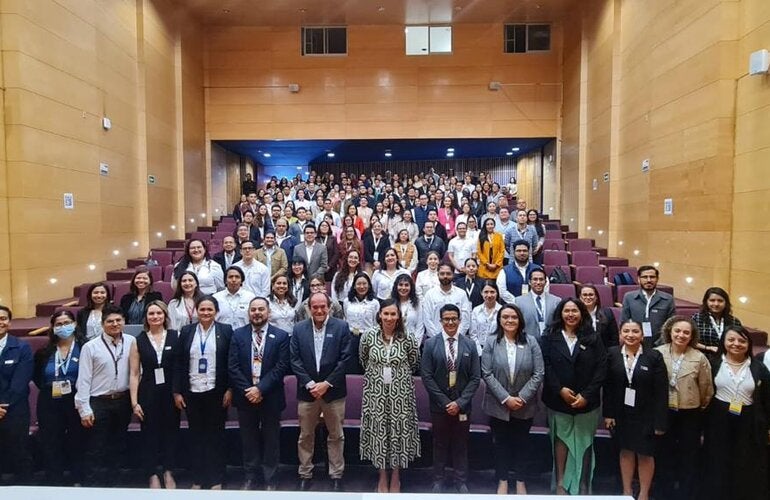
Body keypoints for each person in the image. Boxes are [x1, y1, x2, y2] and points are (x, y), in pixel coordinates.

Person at [540, 298, 607, 495]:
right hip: (557, 400)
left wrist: (586, 395)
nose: (570, 314)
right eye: (567, 310)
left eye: (575, 311)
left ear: (582, 314)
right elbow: (545, 366)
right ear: (560, 313)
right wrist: (560, 389)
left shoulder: (593, 337)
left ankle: (582, 484)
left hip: (587, 403)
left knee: (584, 443)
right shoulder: (549, 337)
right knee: (561, 441)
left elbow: (601, 368)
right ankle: (561, 483)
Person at [290, 292, 353, 492]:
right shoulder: (299, 329)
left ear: (329, 307)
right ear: (309, 308)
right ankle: (305, 473)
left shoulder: (341, 327)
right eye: (314, 307)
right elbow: (295, 360)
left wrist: (326, 383)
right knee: (305, 435)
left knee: (336, 435)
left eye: (322, 307)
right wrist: (310, 384)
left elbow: (345, 359)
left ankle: (336, 474)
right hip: (308, 392)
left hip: (333, 391)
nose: (318, 310)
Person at [481, 303, 544, 495]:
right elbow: (486, 372)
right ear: (499, 320)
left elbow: (539, 373)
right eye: (505, 317)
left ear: (520, 320)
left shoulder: (531, 341)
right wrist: (505, 398)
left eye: (514, 317)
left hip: (524, 406)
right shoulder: (491, 341)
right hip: (498, 405)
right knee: (501, 444)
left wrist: (522, 398)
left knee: (522, 444)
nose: (509, 320)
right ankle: (502, 480)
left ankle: (520, 480)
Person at [228, 297, 290, 491]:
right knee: (249, 438)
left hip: (270, 396)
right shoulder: (238, 335)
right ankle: (250, 476)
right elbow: (233, 366)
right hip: (245, 396)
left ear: (268, 312)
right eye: (253, 309)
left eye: (261, 309)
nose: (257, 313)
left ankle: (270, 477)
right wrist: (249, 390)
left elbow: (281, 367)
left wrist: (260, 389)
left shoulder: (280, 336)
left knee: (271, 438)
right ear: (249, 313)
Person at [359, 299, 421, 493]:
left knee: (398, 434)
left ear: (399, 317)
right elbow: (363, 360)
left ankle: (395, 475)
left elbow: (414, 361)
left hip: (401, 395)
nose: (389, 318)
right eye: (385, 314)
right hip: (375, 394)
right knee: (379, 434)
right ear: (379, 315)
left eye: (393, 314)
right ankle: (382, 476)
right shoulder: (368, 337)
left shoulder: (408, 337)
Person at [702, 326, 770, 500]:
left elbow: (766, 399)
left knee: (744, 462)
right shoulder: (712, 363)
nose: (736, 344)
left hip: (748, 420)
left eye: (742, 340)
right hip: (718, 418)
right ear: (723, 342)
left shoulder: (759, 368)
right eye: (731, 340)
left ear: (749, 344)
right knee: (718, 460)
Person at [172, 296, 233, 490]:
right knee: (196, 436)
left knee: (216, 436)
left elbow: (231, 363)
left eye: (209, 309)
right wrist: (177, 392)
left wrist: (230, 389)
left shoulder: (226, 330)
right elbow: (179, 363)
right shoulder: (187, 331)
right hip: (192, 391)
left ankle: (216, 478)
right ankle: (198, 478)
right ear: (196, 311)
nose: (206, 313)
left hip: (216, 391)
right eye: (202, 309)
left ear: (216, 311)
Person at [603, 319, 668, 500]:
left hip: (646, 414)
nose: (630, 335)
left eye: (635, 331)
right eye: (626, 331)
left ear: (642, 334)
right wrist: (608, 413)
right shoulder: (612, 354)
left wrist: (660, 421)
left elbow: (661, 391)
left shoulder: (653, 356)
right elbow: (607, 387)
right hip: (621, 413)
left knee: (645, 454)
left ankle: (644, 493)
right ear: (620, 334)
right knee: (625, 451)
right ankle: (626, 491)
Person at [420, 304, 481, 494]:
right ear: (440, 321)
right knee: (439, 443)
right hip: (440, 407)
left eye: (454, 318)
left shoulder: (469, 344)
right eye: (446, 319)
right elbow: (426, 377)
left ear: (460, 320)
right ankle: (437, 480)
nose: (450, 322)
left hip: (463, 406)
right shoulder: (430, 344)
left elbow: (475, 378)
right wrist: (446, 403)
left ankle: (461, 480)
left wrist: (459, 403)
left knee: (461, 443)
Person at [75, 304, 136, 486]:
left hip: (122, 400)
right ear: (103, 324)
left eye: (118, 320)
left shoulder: (132, 341)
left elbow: (136, 372)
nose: (115, 324)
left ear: (124, 322)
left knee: (118, 445)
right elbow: (84, 380)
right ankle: (93, 486)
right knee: (96, 447)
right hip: (99, 402)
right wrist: (84, 409)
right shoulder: (90, 347)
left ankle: (115, 485)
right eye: (110, 321)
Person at [654, 316, 714, 500]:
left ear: (692, 336)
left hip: (690, 414)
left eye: (686, 332)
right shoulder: (657, 353)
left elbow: (706, 389)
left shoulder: (699, 357)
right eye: (677, 331)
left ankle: (686, 494)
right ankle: (664, 494)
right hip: (664, 412)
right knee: (664, 455)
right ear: (669, 332)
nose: (681, 335)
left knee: (689, 457)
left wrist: (695, 404)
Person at [129, 301, 180, 489]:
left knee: (170, 433)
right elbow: (134, 373)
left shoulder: (176, 336)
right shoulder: (139, 340)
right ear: (146, 317)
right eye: (151, 313)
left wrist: (178, 392)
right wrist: (135, 402)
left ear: (165, 316)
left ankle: (168, 471)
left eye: (159, 313)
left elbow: (179, 367)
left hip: (170, 392)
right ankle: (152, 473)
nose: (155, 316)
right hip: (148, 392)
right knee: (149, 435)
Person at [33, 310, 84, 485]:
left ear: (75, 324)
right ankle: (54, 481)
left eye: (67, 323)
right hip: (49, 399)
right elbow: (37, 377)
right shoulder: (44, 352)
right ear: (53, 328)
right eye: (59, 324)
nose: (63, 327)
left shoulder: (85, 347)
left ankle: (78, 478)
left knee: (78, 439)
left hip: (76, 399)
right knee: (51, 440)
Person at [0, 305, 34, 484]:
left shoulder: (22, 347)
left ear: (9, 322)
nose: (0, 322)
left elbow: (20, 382)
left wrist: (3, 405)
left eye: (3, 318)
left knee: (20, 453)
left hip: (15, 411)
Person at [620, 265, 676, 346]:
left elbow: (671, 325)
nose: (649, 280)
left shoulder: (668, 299)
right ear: (639, 279)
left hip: (660, 344)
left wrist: (660, 343)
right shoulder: (629, 297)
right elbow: (624, 321)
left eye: (652, 277)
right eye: (645, 277)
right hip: (634, 342)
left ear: (657, 279)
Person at [422, 263, 472, 340]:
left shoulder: (461, 294)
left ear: (453, 275)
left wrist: (456, 336)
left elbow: (465, 318)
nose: (445, 276)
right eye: (442, 274)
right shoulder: (430, 294)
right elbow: (427, 319)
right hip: (435, 339)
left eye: (448, 273)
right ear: (437, 275)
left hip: (458, 339)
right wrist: (438, 338)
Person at [692, 286, 742, 361]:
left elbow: (740, 341)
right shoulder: (697, 318)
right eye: (712, 300)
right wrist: (708, 348)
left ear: (726, 303)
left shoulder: (734, 321)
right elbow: (689, 341)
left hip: (728, 358)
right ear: (706, 302)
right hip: (702, 357)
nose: (716, 304)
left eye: (720, 301)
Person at [515, 268, 560, 338]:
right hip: (528, 341)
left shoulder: (556, 301)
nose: (538, 282)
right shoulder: (519, 301)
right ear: (529, 282)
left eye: (541, 279)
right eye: (535, 279)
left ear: (545, 282)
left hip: (551, 342)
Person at [391, 274, 426, 347]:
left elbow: (420, 326)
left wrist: (415, 345)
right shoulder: (391, 303)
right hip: (393, 344)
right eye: (400, 285)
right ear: (396, 286)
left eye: (406, 285)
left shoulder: (417, 303)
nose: (403, 288)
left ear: (411, 287)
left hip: (412, 344)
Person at [471, 281, 503, 354]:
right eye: (486, 292)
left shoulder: (502, 310)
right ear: (481, 293)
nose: (489, 295)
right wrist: (480, 352)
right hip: (478, 350)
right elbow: (473, 334)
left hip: (498, 350)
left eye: (492, 292)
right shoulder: (476, 310)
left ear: (497, 293)